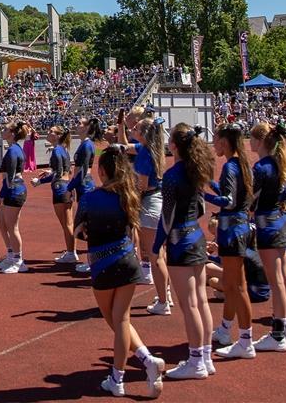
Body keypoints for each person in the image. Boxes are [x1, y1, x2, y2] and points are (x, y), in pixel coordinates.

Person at [77, 146, 165, 399]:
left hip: (103, 264)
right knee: (122, 319)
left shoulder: (90, 198)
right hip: (128, 261)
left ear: (102, 171)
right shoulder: (130, 195)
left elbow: (79, 232)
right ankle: (146, 361)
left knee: (115, 320)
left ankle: (119, 378)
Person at [156, 124, 216, 381]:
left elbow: (167, 217)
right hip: (197, 235)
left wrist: (156, 243)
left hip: (181, 240)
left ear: (175, 146)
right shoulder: (197, 170)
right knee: (201, 300)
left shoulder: (173, 175)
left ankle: (196, 360)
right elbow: (201, 207)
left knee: (189, 303)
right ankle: (205, 356)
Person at [205, 124, 256, 359]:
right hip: (238, 228)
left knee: (236, 286)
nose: (214, 144)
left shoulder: (230, 166)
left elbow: (228, 201)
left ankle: (246, 340)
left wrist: (203, 195)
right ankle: (226, 328)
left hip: (232, 230)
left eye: (215, 140)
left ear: (224, 142)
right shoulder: (241, 165)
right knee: (232, 282)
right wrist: (209, 183)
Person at [249, 122, 286, 346]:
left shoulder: (261, 168)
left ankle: (278, 333)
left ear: (259, 141)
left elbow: (250, 200)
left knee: (277, 280)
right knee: (285, 278)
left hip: (268, 224)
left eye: (251, 138)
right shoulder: (280, 164)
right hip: (282, 221)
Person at [132, 117, 171, 315]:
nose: (133, 129)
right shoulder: (148, 150)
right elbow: (126, 146)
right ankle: (166, 294)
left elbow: (143, 185)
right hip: (156, 200)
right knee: (160, 253)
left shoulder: (145, 154)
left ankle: (163, 301)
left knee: (154, 255)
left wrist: (132, 203)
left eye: (136, 127)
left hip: (149, 203)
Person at [31, 125, 77, 265]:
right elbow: (65, 171)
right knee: (68, 224)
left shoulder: (57, 150)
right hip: (66, 186)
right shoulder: (63, 150)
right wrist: (50, 173)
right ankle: (71, 252)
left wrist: (40, 181)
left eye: (52, 132)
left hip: (59, 188)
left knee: (66, 224)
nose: (49, 133)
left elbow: (58, 174)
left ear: (58, 135)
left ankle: (71, 253)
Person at [0, 122, 30, 274]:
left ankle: (18, 260)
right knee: (1, 223)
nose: (2, 131)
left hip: (14, 190)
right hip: (11, 189)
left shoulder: (13, 151)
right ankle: (10, 255)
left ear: (12, 133)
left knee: (12, 226)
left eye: (5, 129)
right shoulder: (12, 149)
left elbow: (9, 178)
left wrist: (1, 195)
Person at [68, 117, 100, 274]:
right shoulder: (84, 144)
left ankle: (92, 261)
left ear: (87, 128)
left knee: (87, 226)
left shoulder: (87, 145)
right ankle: (91, 259)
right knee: (86, 225)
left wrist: (69, 187)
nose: (77, 125)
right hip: (82, 187)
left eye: (80, 123)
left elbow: (82, 171)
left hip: (85, 187)